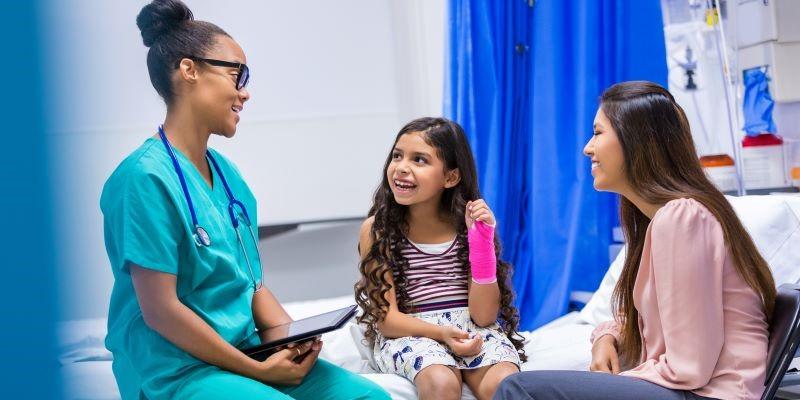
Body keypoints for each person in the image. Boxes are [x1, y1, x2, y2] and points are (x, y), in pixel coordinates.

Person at [100, 1, 390, 399]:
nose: (245, 92)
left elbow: (253, 286)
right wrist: (258, 372)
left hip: (248, 351)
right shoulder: (142, 180)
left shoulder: (229, 178)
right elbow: (160, 311)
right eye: (238, 73)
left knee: (368, 396)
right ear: (190, 70)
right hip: (177, 370)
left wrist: (294, 342)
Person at [495, 81, 776, 400]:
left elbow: (690, 366)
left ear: (635, 140)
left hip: (711, 394)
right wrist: (606, 337)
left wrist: (624, 379)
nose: (588, 147)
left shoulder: (683, 219)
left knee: (518, 388)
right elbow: (642, 317)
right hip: (691, 391)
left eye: (598, 132)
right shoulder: (660, 222)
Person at [355, 117, 526, 400]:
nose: (401, 167)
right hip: (411, 332)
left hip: (470, 328)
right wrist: (443, 334)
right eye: (397, 156)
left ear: (450, 177)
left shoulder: (469, 227)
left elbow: (483, 316)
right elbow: (387, 319)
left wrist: (480, 241)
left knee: (505, 383)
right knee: (441, 382)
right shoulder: (378, 230)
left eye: (419, 160)